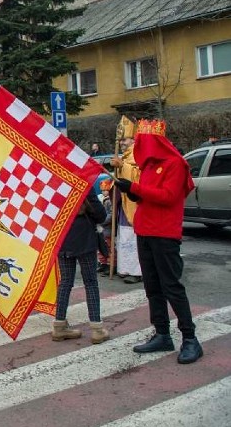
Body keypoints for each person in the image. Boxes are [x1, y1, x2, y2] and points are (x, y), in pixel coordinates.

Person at [114, 119, 202, 364]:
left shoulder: (175, 164)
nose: (140, 144)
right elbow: (146, 198)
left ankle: (190, 338)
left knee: (171, 286)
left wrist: (136, 189)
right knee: (152, 287)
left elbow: (168, 196)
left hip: (164, 235)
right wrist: (129, 190)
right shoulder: (149, 166)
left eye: (142, 140)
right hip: (146, 231)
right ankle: (162, 333)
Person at [50, 193, 110, 343]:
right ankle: (97, 329)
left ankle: (59, 325)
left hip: (62, 237)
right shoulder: (83, 182)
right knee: (90, 283)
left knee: (65, 282)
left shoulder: (56, 183)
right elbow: (101, 215)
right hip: (84, 238)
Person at [109, 116, 142, 283]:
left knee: (133, 237)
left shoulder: (138, 153)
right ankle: (124, 268)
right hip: (124, 203)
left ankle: (136, 271)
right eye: (120, 140)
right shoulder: (124, 154)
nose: (122, 143)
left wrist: (123, 166)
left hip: (135, 203)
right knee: (124, 236)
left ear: (133, 139)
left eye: (125, 139)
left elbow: (138, 175)